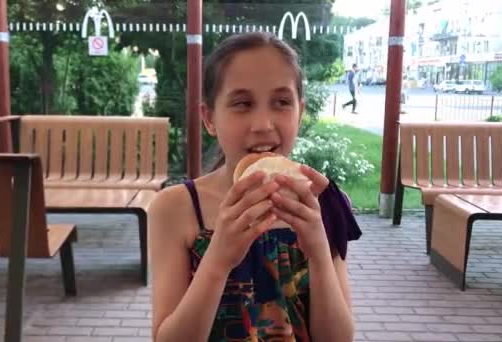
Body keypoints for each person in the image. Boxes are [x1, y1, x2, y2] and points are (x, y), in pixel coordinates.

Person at [149, 32, 362, 342]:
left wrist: (318, 252)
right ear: (209, 119)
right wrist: (218, 258)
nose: (263, 123)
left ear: (299, 112)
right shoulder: (175, 208)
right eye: (242, 103)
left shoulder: (323, 201)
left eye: (282, 102)